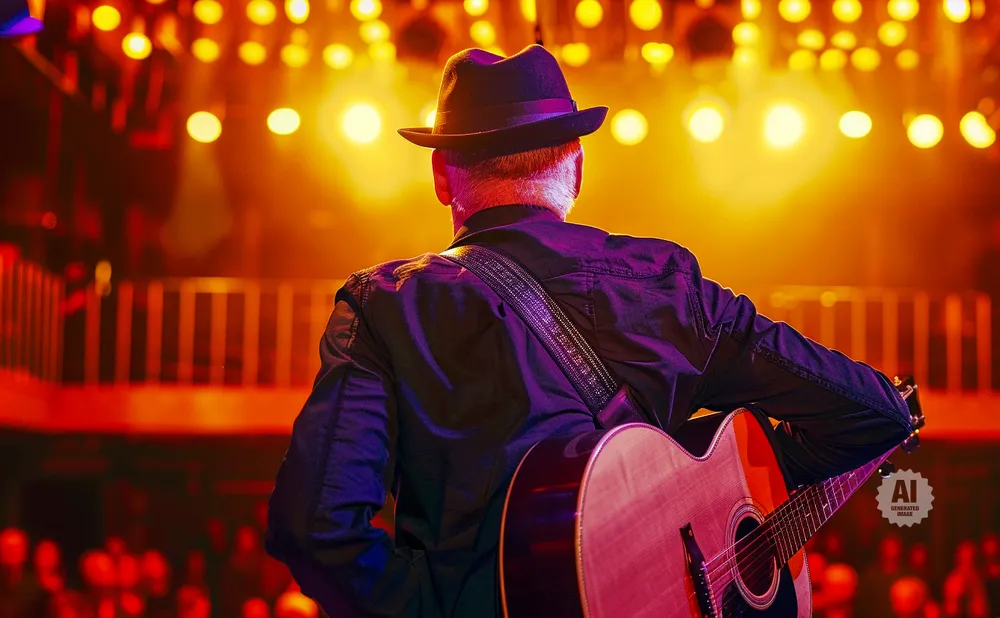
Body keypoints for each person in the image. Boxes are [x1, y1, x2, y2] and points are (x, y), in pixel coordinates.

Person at [265, 44, 914, 617]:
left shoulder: (387, 304)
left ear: (441, 177)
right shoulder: (669, 282)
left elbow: (315, 529)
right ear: (576, 168)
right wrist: (726, 500)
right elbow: (875, 413)